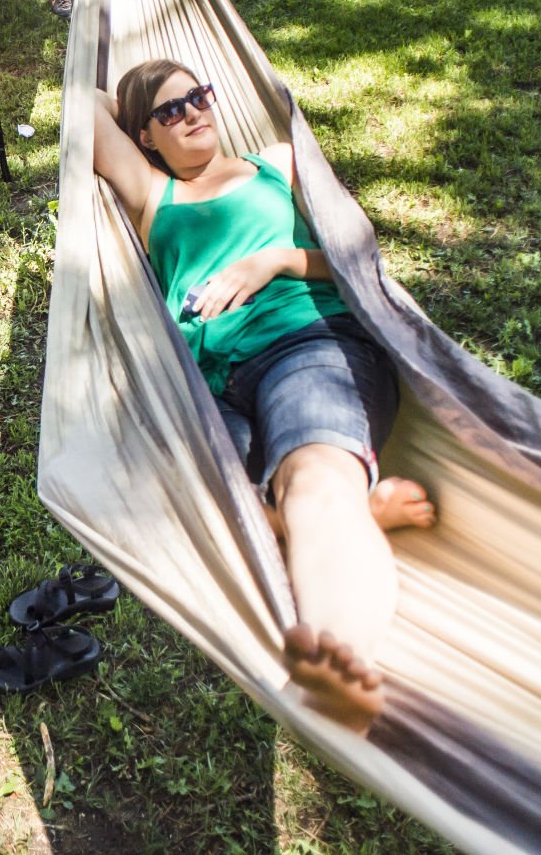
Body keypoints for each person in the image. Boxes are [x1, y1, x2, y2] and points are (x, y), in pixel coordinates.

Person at [94, 58, 436, 733]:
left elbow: (355, 252)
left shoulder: (277, 161)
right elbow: (85, 101)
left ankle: (347, 656)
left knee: (312, 480)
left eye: (198, 96)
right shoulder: (150, 194)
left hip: (302, 342)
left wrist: (274, 259)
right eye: (169, 111)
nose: (193, 112)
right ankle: (348, 514)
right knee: (194, 518)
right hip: (204, 387)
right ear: (143, 137)